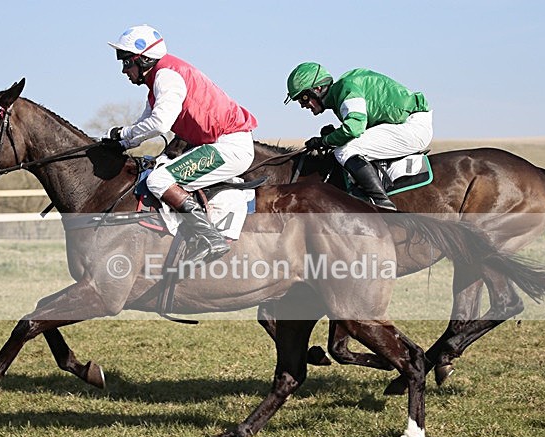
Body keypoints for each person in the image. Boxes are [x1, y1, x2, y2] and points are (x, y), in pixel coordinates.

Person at [106, 24, 258, 263]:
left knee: (159, 180)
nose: (124, 71)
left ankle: (210, 238)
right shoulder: (157, 81)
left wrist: (124, 133)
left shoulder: (167, 77)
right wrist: (120, 141)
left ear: (144, 60)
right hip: (218, 144)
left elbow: (159, 124)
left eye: (126, 62)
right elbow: (146, 122)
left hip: (230, 147)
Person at [285, 62, 433, 210]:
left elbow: (354, 129)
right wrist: (333, 135)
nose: (302, 105)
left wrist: (325, 140)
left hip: (412, 127)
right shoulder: (341, 92)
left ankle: (382, 204)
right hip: (406, 124)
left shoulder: (345, 89)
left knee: (344, 150)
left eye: (303, 98)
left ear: (318, 89)